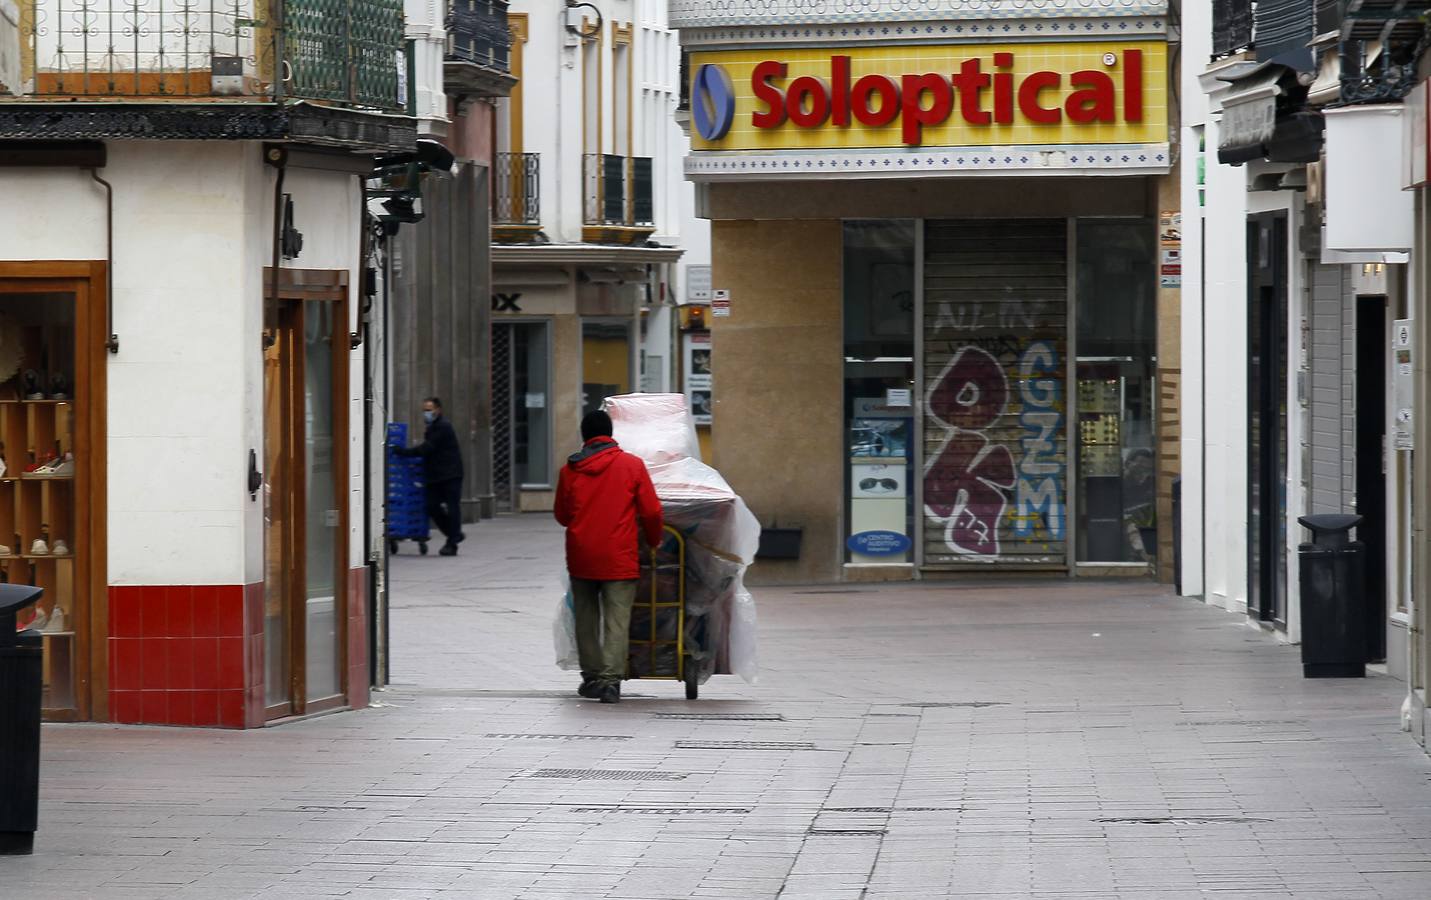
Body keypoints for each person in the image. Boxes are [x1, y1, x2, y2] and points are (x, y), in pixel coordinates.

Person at [554, 410, 663, 703]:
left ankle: (590, 676)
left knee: (586, 619)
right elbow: (652, 511)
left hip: (582, 556)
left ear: (584, 436)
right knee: (617, 619)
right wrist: (654, 541)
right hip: (619, 556)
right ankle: (610, 681)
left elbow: (562, 516)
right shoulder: (632, 466)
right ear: (611, 433)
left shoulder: (570, 470)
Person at [395, 396, 465, 556]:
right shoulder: (432, 426)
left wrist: (404, 452)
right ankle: (454, 534)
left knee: (453, 508)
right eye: (424, 410)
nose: (425, 413)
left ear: (438, 410)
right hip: (436, 476)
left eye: (428, 410)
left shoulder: (442, 427)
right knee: (431, 506)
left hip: (450, 475)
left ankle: (452, 542)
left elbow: (427, 448)